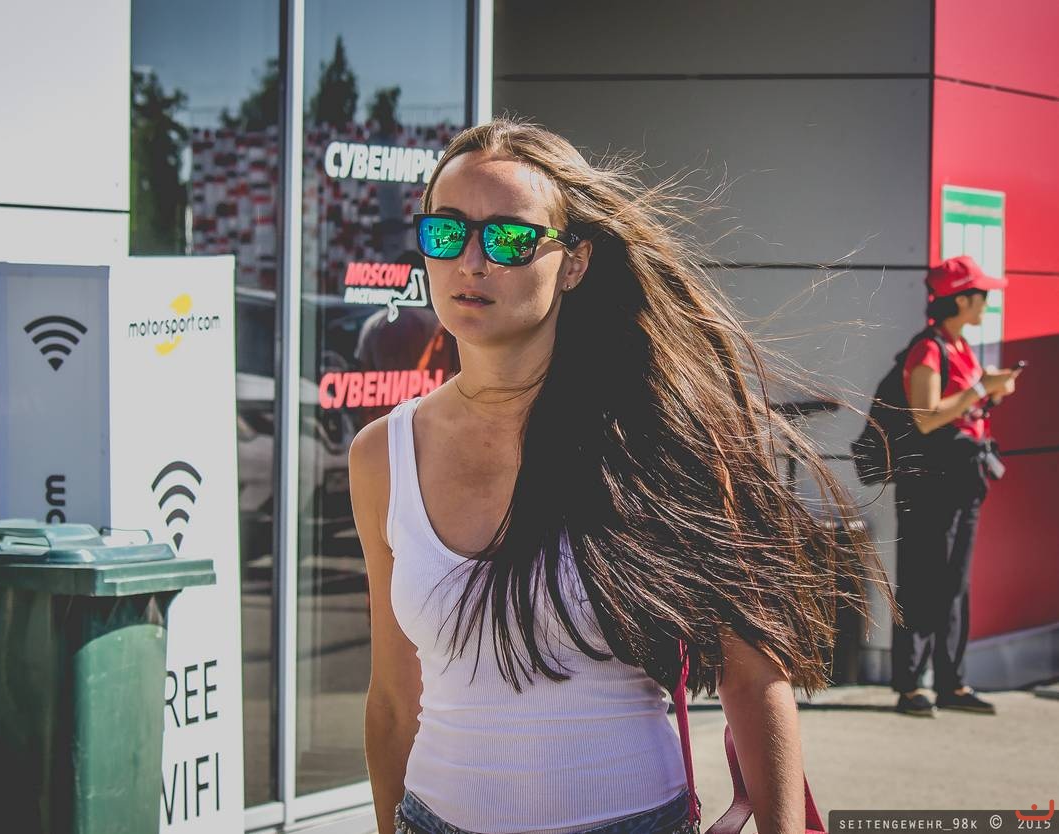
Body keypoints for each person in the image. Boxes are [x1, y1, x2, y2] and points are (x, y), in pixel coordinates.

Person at [348, 118, 889, 834]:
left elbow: (752, 675)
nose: (471, 261)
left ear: (574, 262)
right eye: (446, 232)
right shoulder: (382, 455)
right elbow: (392, 701)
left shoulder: (653, 438)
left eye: (508, 238)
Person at [891, 256, 1021, 718]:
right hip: (931, 484)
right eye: (982, 295)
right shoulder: (928, 348)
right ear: (962, 300)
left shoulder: (959, 346)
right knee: (922, 580)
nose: (987, 302)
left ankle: (951, 682)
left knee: (955, 584)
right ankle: (911, 686)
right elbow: (926, 418)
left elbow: (962, 408)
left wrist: (991, 393)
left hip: (963, 480)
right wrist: (980, 390)